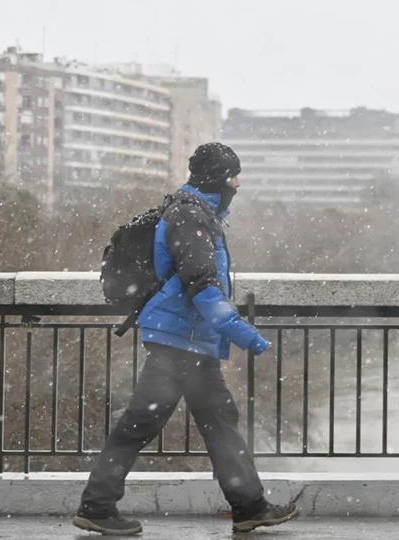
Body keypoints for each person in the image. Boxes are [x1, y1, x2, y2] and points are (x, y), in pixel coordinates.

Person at [74, 143, 299, 536]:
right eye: (233, 176)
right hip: (179, 341)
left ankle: (249, 506)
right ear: (217, 178)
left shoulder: (195, 212)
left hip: (189, 341)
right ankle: (97, 506)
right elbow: (202, 286)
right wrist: (247, 336)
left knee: (218, 421)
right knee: (143, 423)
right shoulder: (190, 216)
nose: (238, 184)